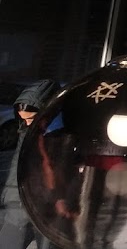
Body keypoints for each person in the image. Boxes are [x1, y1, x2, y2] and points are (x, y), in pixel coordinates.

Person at [0, 80, 60, 249]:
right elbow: (17, 166)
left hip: (48, 211)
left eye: (31, 119)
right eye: (23, 119)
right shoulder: (26, 131)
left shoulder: (61, 134)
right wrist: (10, 198)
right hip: (19, 206)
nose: (27, 123)